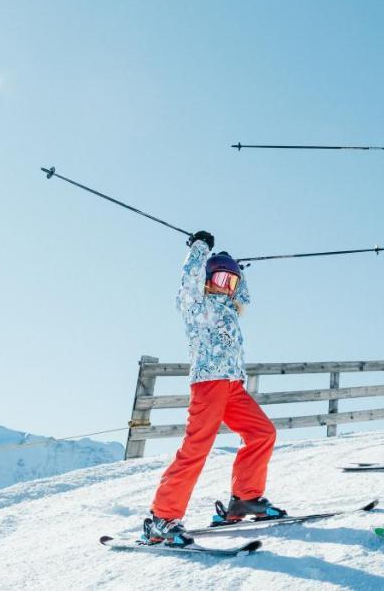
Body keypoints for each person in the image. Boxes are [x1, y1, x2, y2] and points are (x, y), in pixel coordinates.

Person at [144, 230, 284, 546]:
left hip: (233, 385)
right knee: (197, 447)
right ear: (206, 280)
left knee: (263, 432)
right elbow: (188, 281)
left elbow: (243, 296)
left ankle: (245, 499)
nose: (225, 288)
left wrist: (234, 266)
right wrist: (199, 250)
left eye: (230, 283)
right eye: (219, 280)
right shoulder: (196, 305)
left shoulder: (232, 309)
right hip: (208, 382)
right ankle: (162, 518)